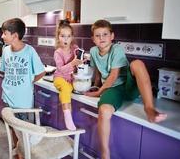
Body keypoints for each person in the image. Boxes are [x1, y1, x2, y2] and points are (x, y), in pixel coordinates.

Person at [85, 19, 167, 159]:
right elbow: (98, 70)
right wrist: (96, 85)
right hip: (113, 89)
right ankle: (105, 153)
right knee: (104, 110)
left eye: (105, 34)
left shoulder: (117, 49)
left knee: (137, 64)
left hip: (128, 85)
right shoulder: (93, 51)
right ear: (93, 39)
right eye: (97, 35)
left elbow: (114, 75)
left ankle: (149, 108)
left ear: (112, 36)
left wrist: (99, 92)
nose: (101, 38)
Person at [0, 18, 45, 158]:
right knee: (13, 127)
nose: (2, 36)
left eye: (4, 33)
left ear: (14, 36)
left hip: (23, 101)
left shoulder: (29, 51)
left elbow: (41, 72)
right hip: (7, 97)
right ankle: (18, 152)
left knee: (25, 132)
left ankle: (24, 154)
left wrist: (29, 82)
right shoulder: (5, 50)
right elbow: (4, 70)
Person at [53, 20, 83, 130]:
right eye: (62, 36)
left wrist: (82, 59)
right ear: (58, 37)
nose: (66, 39)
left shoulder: (75, 48)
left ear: (72, 37)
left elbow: (79, 61)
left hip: (71, 80)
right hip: (60, 78)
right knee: (65, 89)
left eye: (68, 36)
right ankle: (67, 117)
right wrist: (73, 63)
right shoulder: (58, 52)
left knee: (70, 91)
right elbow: (61, 70)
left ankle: (69, 117)